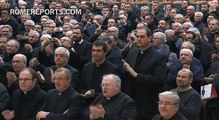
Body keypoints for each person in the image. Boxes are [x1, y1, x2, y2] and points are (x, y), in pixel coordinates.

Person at [123, 28, 167, 120]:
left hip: (147, 101)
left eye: (142, 37)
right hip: (130, 98)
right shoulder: (132, 52)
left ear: (150, 38)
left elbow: (158, 80)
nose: (138, 39)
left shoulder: (159, 57)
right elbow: (126, 74)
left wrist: (136, 75)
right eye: (137, 36)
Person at [80, 40, 121, 107]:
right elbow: (81, 85)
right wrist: (85, 93)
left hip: (105, 105)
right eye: (93, 50)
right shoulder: (86, 67)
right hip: (86, 104)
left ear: (105, 52)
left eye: (98, 51)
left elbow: (115, 91)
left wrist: (94, 94)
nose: (95, 53)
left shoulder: (113, 69)